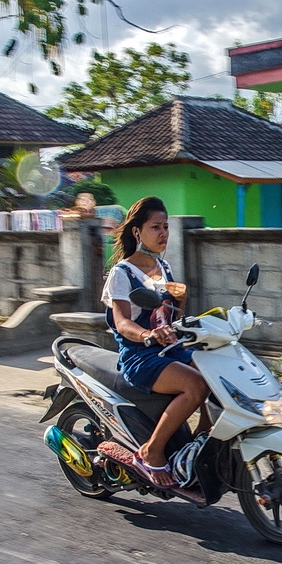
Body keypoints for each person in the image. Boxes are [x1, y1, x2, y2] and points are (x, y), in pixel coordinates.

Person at [101, 196, 209, 488]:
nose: (163, 233)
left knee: (216, 371)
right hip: (140, 356)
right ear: (137, 232)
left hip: (168, 349)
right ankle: (151, 450)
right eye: (155, 227)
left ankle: (202, 437)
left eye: (166, 227)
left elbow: (171, 319)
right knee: (195, 385)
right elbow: (122, 322)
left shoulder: (164, 267)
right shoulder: (121, 274)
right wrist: (147, 335)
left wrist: (181, 303)